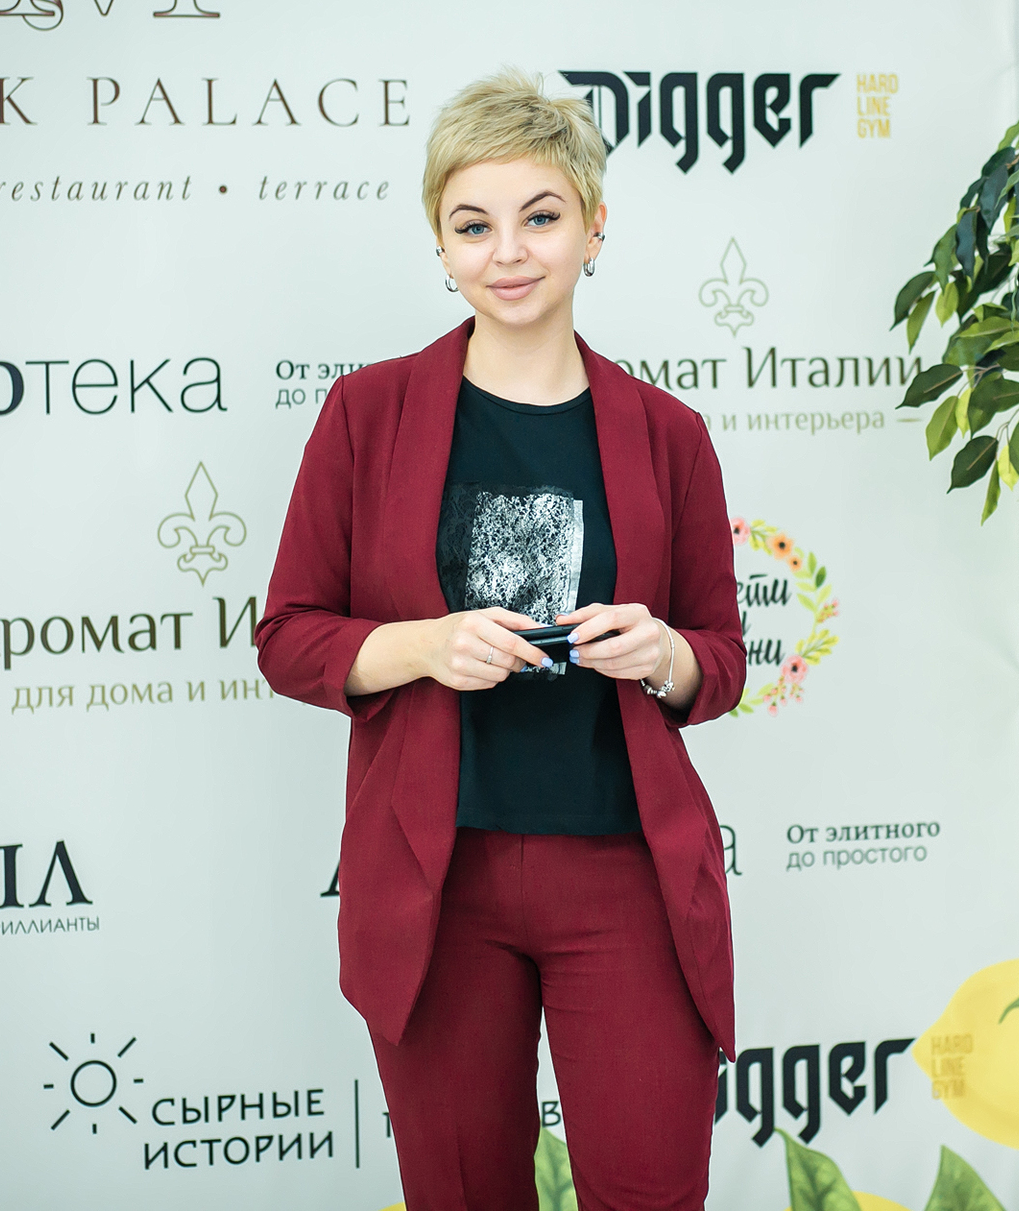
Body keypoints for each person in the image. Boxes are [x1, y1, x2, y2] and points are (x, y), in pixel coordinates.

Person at [254, 69, 746, 1211]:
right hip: (438, 877)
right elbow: (289, 637)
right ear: (440, 242)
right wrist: (424, 646)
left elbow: (718, 656)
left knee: (651, 1192)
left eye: (541, 216)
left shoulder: (667, 432)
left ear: (594, 225)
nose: (508, 252)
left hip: (625, 870)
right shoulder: (367, 413)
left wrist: (661, 652)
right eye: (473, 224)